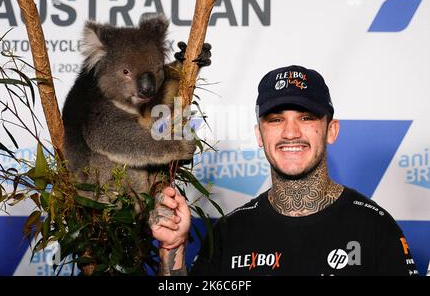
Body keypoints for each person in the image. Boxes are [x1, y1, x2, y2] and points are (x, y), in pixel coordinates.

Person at [149, 65, 419, 276]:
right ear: (259, 135)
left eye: (306, 117)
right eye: (276, 120)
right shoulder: (229, 234)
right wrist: (173, 249)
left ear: (331, 130)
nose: (291, 133)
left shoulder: (375, 228)